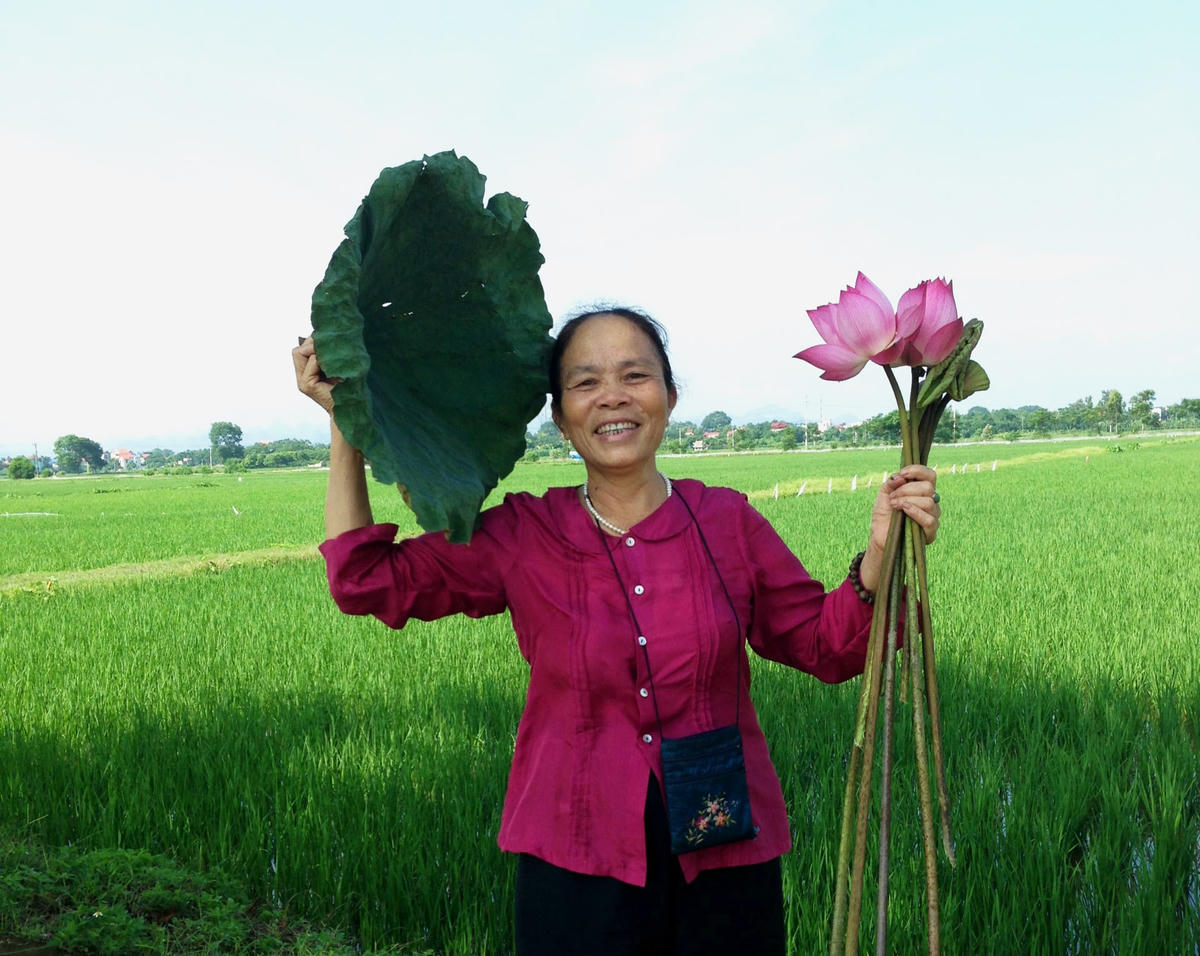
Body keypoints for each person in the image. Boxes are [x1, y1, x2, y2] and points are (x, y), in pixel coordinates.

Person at [292, 308, 940, 955]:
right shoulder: (524, 534)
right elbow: (365, 582)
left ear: (670, 396)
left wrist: (881, 551)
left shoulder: (727, 522)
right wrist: (345, 422)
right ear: (560, 415)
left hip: (724, 856)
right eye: (585, 382)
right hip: (574, 862)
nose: (613, 396)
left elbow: (827, 646)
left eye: (636, 374)